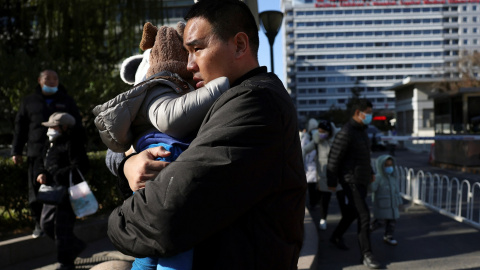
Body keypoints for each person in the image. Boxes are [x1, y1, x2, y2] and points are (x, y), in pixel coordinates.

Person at [106, 1, 307, 269]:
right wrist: (128, 165)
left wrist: (117, 223)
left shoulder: (254, 103)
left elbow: (166, 215)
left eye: (196, 49)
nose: (189, 65)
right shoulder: (225, 101)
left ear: (239, 45)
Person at [93, 21, 230, 270]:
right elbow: (114, 155)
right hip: (169, 183)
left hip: (168, 192)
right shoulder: (157, 94)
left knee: (159, 246)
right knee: (169, 244)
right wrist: (129, 161)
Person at [11, 69, 85, 238]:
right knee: (36, 191)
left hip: (62, 154)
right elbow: (20, 128)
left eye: (55, 78)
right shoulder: (29, 101)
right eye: (47, 78)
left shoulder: (66, 100)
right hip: (36, 152)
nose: (52, 81)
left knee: (63, 189)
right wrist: (16, 150)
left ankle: (64, 221)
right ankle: (39, 223)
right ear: (39, 80)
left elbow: (78, 126)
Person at [326, 99, 381, 269]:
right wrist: (332, 182)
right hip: (351, 181)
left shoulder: (362, 131)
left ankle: (336, 236)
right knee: (364, 215)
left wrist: (371, 172)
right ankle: (366, 254)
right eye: (369, 113)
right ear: (358, 113)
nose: (370, 116)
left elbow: (364, 155)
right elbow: (333, 159)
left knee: (352, 213)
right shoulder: (346, 133)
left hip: (362, 179)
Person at [34, 112, 89, 270]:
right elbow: (40, 162)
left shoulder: (73, 143)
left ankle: (66, 263)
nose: (50, 129)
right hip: (51, 193)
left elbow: (81, 166)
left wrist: (58, 174)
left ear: (65, 127)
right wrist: (41, 173)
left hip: (66, 194)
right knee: (46, 224)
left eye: (54, 126)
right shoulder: (50, 143)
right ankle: (76, 246)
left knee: (62, 230)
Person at [303, 119, 346, 231]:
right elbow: (305, 150)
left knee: (341, 198)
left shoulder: (338, 139)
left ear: (329, 131)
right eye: (319, 131)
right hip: (324, 176)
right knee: (324, 199)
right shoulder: (317, 140)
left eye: (323, 131)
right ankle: (323, 219)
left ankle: (345, 219)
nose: (320, 133)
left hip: (338, 175)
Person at [370, 154, 402, 246]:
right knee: (380, 222)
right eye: (386, 165)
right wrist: (371, 181)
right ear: (381, 166)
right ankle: (368, 230)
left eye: (391, 165)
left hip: (392, 205)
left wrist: (399, 202)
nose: (389, 167)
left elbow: (396, 191)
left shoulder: (393, 177)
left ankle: (389, 236)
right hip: (382, 205)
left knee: (392, 222)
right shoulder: (378, 178)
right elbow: (372, 189)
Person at [301, 118, 320, 209]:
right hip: (308, 167)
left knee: (317, 187)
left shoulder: (317, 138)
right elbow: (302, 152)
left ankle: (315, 202)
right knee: (311, 187)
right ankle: (313, 203)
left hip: (316, 167)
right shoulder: (305, 139)